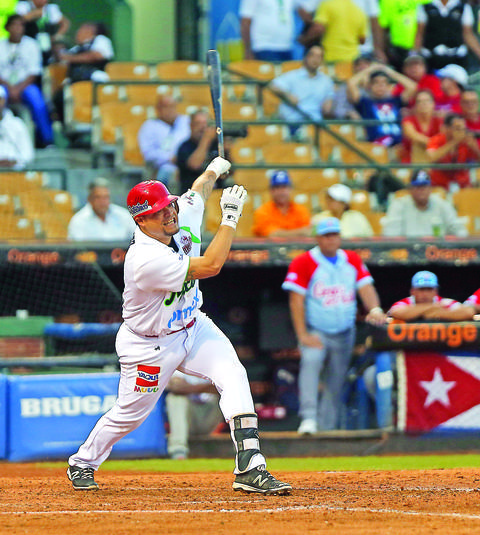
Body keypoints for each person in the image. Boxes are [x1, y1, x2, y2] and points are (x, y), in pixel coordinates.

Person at [66, 156, 292, 495]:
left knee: (234, 374)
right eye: (159, 212)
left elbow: (197, 190)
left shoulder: (179, 212)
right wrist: (230, 216)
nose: (169, 213)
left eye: (169, 205)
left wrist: (215, 168)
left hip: (192, 325)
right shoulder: (145, 259)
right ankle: (83, 461)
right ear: (142, 221)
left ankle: (250, 465)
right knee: (130, 414)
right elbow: (212, 265)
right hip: (149, 344)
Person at [282, 216, 385, 434]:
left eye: (334, 235)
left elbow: (366, 287)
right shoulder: (304, 261)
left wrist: (374, 309)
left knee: (336, 379)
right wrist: (302, 335)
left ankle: (327, 426)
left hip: (345, 331)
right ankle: (308, 418)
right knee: (311, 364)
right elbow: (296, 300)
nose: (331, 240)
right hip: (316, 331)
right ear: (318, 238)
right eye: (326, 236)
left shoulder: (351, 259)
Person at [0, 14, 53, 147]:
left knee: (37, 101)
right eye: (14, 25)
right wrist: (10, 88)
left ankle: (47, 140)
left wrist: (17, 89)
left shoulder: (32, 44)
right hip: (3, 85)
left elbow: (34, 72)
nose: (18, 29)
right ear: (7, 27)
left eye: (21, 25)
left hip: (25, 85)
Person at [347, 62, 417, 146]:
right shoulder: (364, 102)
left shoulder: (395, 101)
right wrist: (370, 69)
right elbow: (351, 83)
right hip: (376, 143)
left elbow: (412, 86)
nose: (380, 85)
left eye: (384, 83)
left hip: (399, 143)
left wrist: (390, 72)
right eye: (376, 82)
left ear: (388, 86)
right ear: (369, 86)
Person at [382, 169, 468, 237]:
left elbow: (460, 231)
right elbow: (391, 235)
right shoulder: (399, 205)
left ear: (430, 188)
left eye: (424, 186)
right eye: (417, 186)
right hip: (408, 254)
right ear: (410, 189)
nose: (421, 190)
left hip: (437, 253)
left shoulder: (442, 204)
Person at [269, 45, 334, 132]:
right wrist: (287, 94)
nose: (315, 59)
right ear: (305, 57)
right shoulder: (293, 76)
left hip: (316, 124)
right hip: (293, 122)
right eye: (312, 55)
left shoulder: (326, 81)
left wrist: (329, 104)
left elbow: (328, 103)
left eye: (319, 56)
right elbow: (272, 85)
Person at [166, 371, 223, 460]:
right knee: (175, 398)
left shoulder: (216, 363)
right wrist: (209, 387)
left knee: (228, 396)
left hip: (210, 414)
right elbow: (176, 388)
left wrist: (188, 388)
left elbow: (228, 388)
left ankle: (240, 450)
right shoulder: (181, 362)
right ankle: (178, 452)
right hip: (189, 417)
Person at [138, 95, 190, 191]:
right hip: (165, 165)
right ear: (158, 109)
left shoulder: (186, 121)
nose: (170, 110)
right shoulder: (149, 126)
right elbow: (148, 154)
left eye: (172, 106)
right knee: (167, 172)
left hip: (187, 163)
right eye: (165, 107)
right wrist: (170, 158)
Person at [415, 0, 480, 71]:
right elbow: (420, 33)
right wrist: (415, 54)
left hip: (456, 56)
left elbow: (468, 34)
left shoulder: (463, 7)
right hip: (431, 56)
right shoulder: (425, 6)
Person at [239, 0, 312, 61]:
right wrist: (248, 50)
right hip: (263, 46)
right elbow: (245, 22)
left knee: (287, 77)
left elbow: (303, 13)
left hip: (286, 47)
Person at [388, 270, 474, 322]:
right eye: (421, 289)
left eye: (429, 289)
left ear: (435, 291)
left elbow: (468, 312)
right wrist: (432, 307)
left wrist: (438, 313)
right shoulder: (406, 302)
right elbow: (396, 313)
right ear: (413, 291)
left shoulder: (444, 302)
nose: (425, 293)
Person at [67, 178, 136, 241]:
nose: (103, 201)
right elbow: (79, 250)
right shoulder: (79, 220)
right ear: (90, 199)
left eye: (106, 197)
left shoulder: (124, 215)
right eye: (98, 197)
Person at [301, 0, 368, 64]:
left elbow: (318, 29)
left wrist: (304, 40)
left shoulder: (327, 5)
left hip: (331, 58)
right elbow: (362, 40)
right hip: (352, 59)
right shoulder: (359, 11)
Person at [426, 113, 480, 190]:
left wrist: (474, 147)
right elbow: (431, 158)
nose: (462, 132)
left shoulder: (467, 141)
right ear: (446, 128)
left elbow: (478, 161)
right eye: (458, 128)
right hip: (439, 186)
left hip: (463, 186)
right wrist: (454, 142)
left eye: (463, 129)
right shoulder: (436, 140)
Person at [176, 110, 225, 194]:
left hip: (217, 195)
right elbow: (195, 165)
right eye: (198, 123)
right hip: (192, 195)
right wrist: (206, 139)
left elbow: (228, 172)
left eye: (206, 124)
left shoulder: (217, 145)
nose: (202, 127)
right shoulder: (184, 147)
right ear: (191, 126)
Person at [252, 170, 311, 238]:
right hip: (271, 248)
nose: (281, 191)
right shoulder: (262, 211)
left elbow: (307, 232)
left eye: (284, 187)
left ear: (290, 189)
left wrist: (280, 233)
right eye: (277, 187)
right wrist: (299, 232)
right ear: (271, 191)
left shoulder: (301, 210)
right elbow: (271, 235)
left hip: (298, 248)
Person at [378, 0, 429, 71]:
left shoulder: (422, 3)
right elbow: (383, 27)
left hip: (421, 48)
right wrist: (382, 50)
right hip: (396, 48)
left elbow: (421, 24)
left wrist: (416, 49)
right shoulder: (387, 2)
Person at [15, 0, 70, 64]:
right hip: (26, 43)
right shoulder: (24, 5)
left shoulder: (50, 9)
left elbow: (65, 23)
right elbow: (18, 21)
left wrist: (56, 37)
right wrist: (34, 14)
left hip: (45, 44)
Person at [400, 90, 443, 163]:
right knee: (417, 145)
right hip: (411, 160)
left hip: (435, 159)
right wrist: (435, 144)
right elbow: (413, 136)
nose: (424, 104)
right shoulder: (408, 120)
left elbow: (444, 138)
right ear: (415, 105)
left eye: (427, 101)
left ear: (433, 103)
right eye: (419, 101)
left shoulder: (439, 121)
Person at [0, 84, 34, 168]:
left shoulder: (17, 124)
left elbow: (28, 155)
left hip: (15, 173)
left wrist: (14, 162)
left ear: (4, 100)